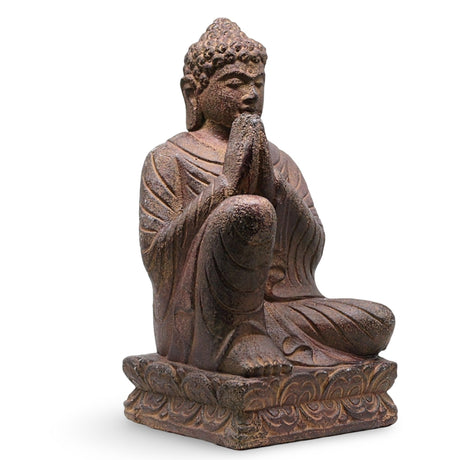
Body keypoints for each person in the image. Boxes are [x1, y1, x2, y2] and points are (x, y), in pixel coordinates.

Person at [139, 18, 395, 377]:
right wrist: (225, 185)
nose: (251, 94)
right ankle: (238, 338)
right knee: (248, 211)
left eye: (258, 83)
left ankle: (258, 334)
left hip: (274, 311)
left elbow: (311, 250)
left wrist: (274, 185)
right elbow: (158, 258)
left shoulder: (279, 161)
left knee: (377, 321)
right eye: (234, 84)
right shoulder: (169, 159)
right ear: (193, 93)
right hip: (202, 318)